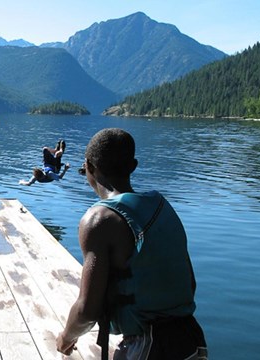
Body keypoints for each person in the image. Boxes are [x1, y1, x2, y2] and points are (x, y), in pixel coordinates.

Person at [57, 128, 207, 359]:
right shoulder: (161, 206)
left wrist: (66, 337)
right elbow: (190, 284)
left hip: (149, 347)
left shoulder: (98, 220)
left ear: (88, 166)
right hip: (192, 340)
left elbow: (88, 310)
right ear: (134, 166)